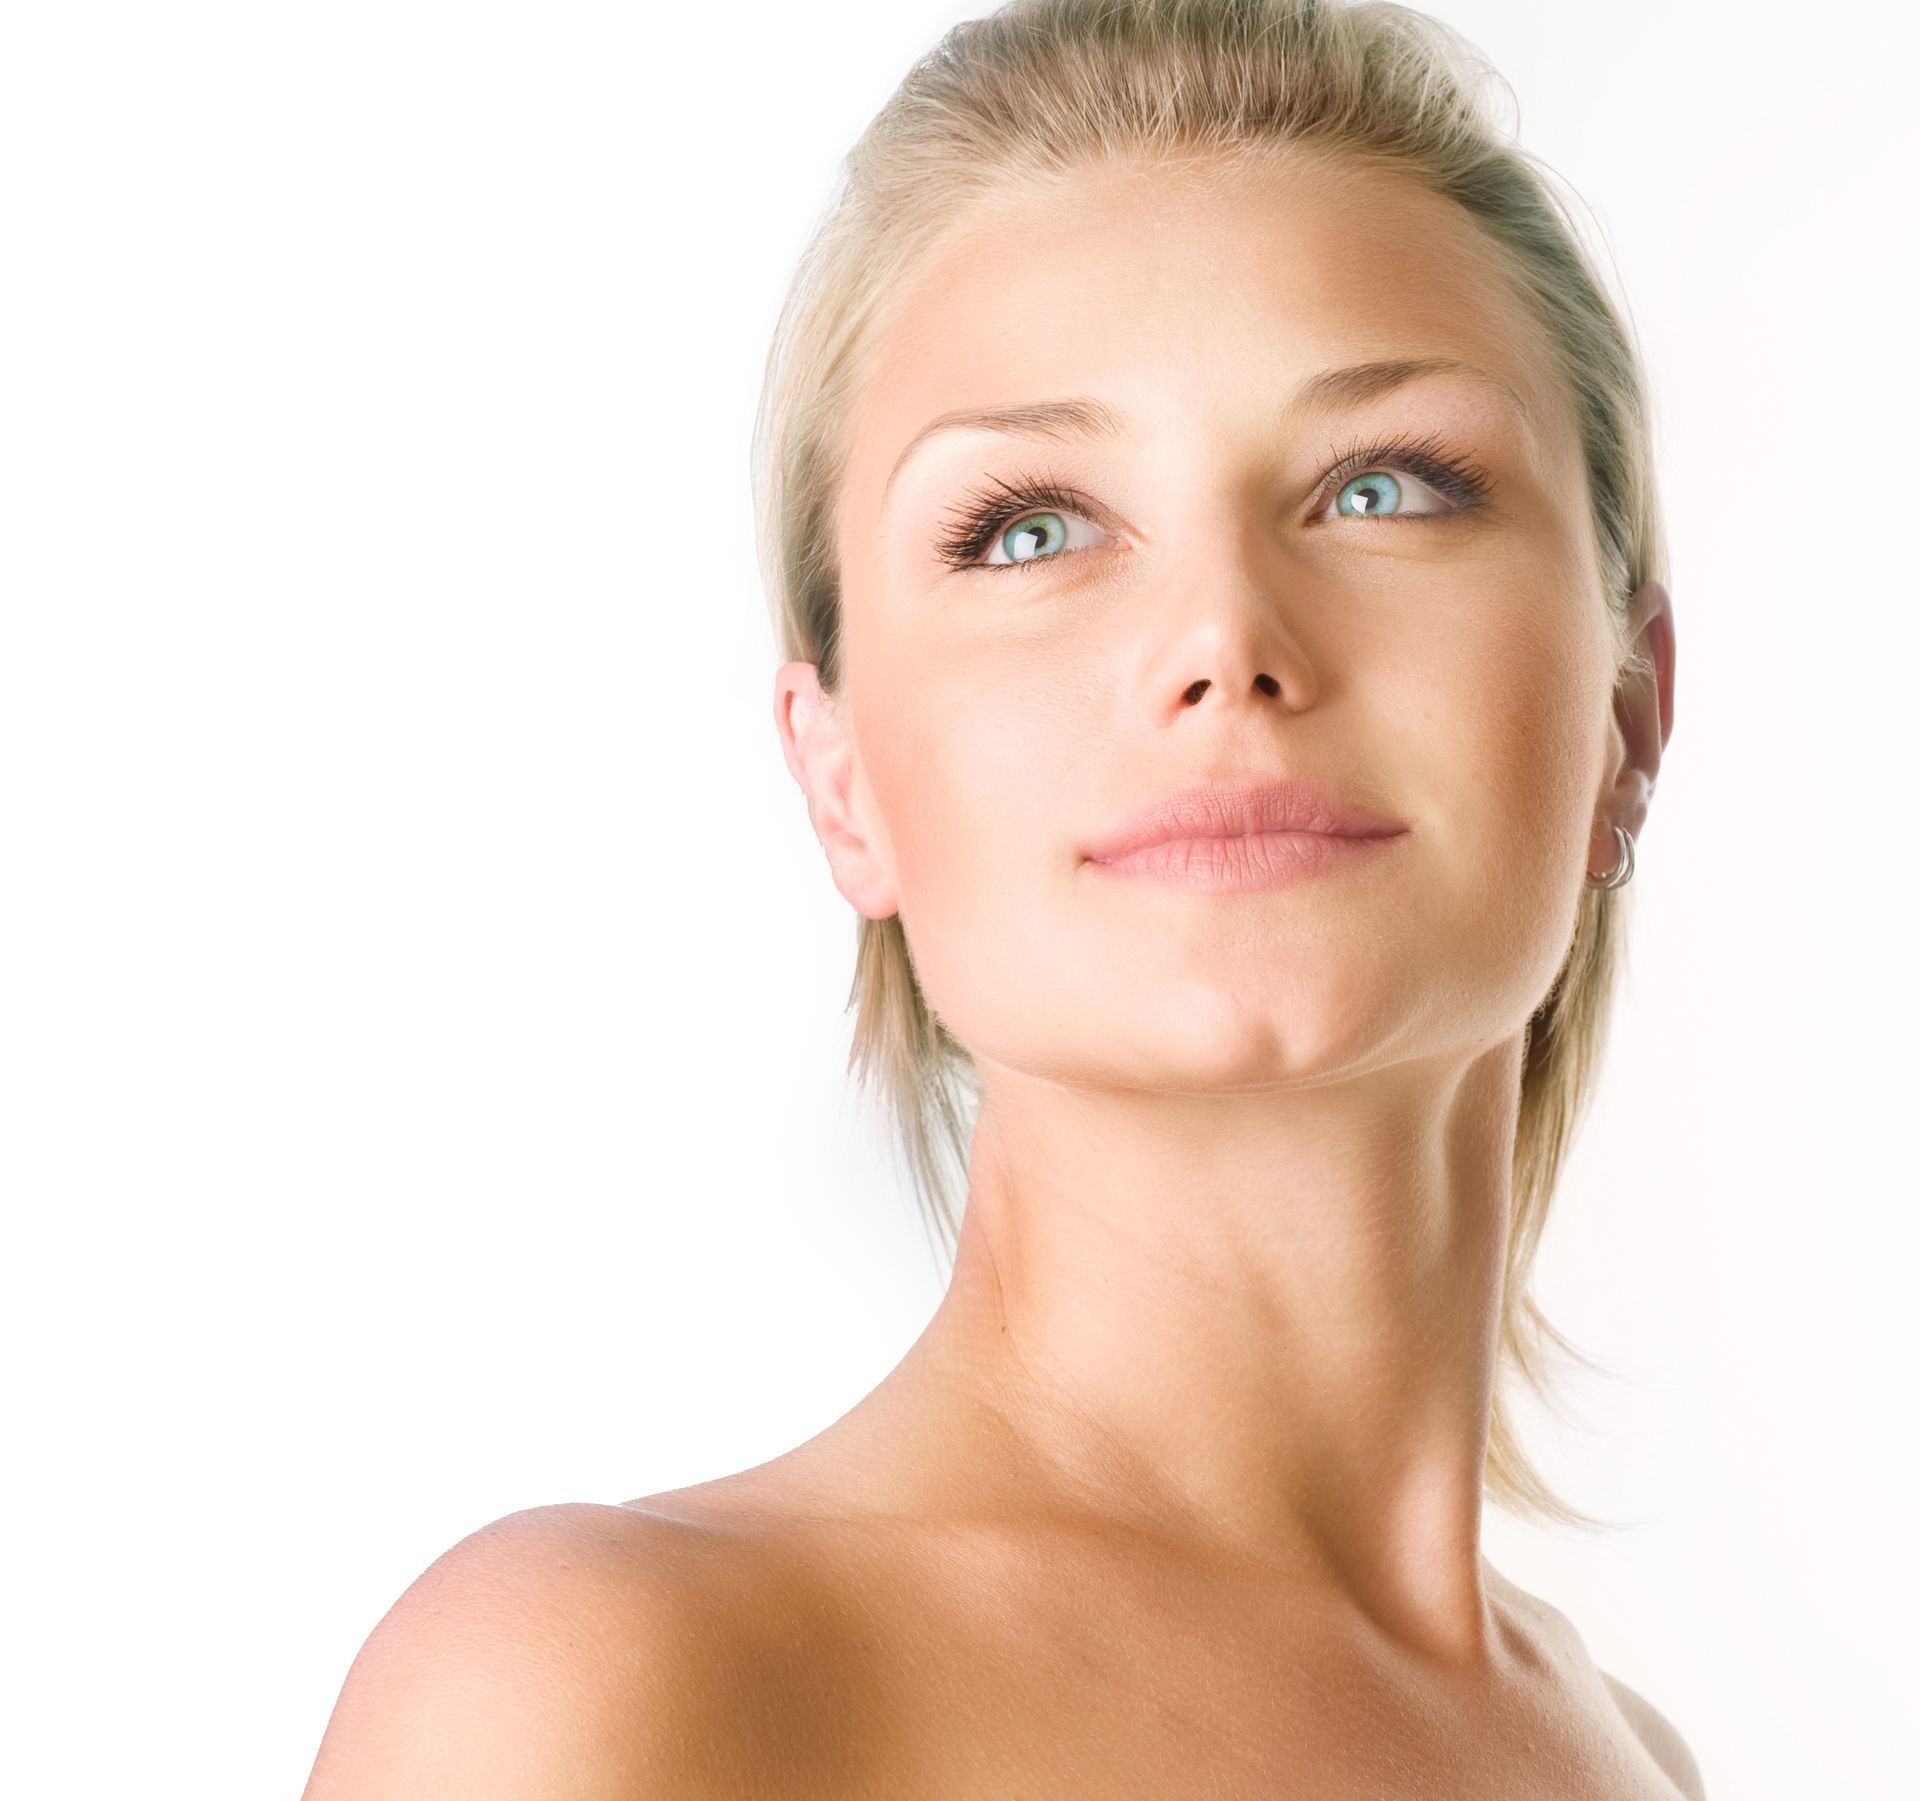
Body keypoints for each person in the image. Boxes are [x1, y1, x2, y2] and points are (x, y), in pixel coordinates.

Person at [301, 1, 1701, 1794]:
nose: (1224, 642)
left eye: (1384, 487)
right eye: (1031, 526)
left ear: (1627, 713)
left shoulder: (1632, 1756)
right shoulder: (605, 1689)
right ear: (842, 779)